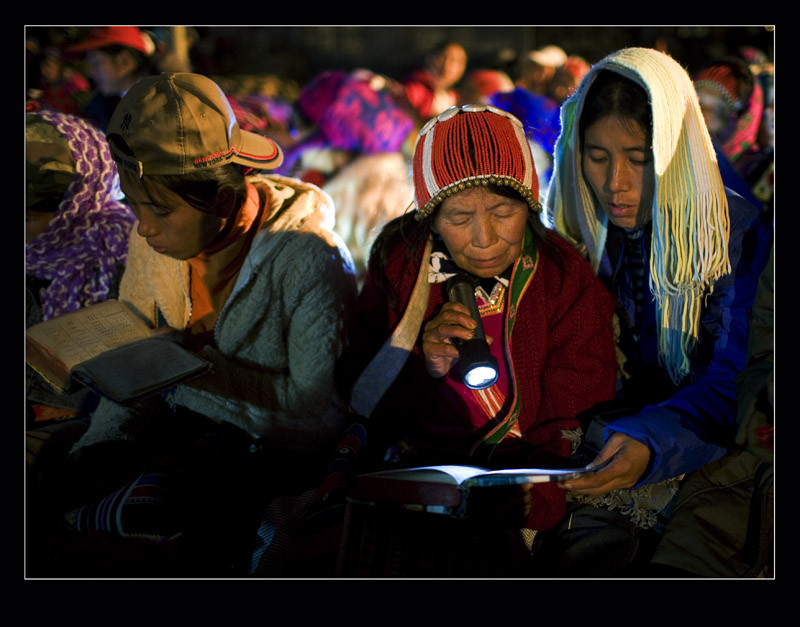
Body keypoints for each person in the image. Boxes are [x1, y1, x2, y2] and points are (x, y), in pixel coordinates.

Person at [32, 73, 357, 576]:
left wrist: (193, 369)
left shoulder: (310, 260)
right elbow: (135, 362)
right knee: (62, 479)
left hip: (263, 458)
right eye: (134, 205)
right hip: (173, 431)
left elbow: (317, 416)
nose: (143, 227)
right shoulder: (154, 241)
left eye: (159, 209)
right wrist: (103, 446)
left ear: (223, 200)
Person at [337, 104, 618, 540]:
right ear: (431, 218)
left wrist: (535, 498)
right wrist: (418, 361)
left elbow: (575, 408)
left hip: (526, 480)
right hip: (417, 476)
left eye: (504, 213)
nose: (485, 239)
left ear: (530, 202)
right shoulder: (401, 265)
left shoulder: (562, 277)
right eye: (460, 218)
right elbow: (361, 395)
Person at [541, 47, 772, 576]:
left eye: (640, 159)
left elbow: (736, 381)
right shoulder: (586, 234)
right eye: (596, 156)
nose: (614, 183)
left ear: (676, 151)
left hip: (706, 443)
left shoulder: (735, 235)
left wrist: (652, 439)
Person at [64, 26, 155, 131]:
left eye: (96, 62)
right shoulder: (97, 107)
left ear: (124, 62)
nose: (90, 72)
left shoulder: (165, 110)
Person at [402, 41, 468, 121]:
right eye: (443, 57)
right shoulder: (414, 86)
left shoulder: (457, 98)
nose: (448, 65)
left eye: (457, 60)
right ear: (430, 58)